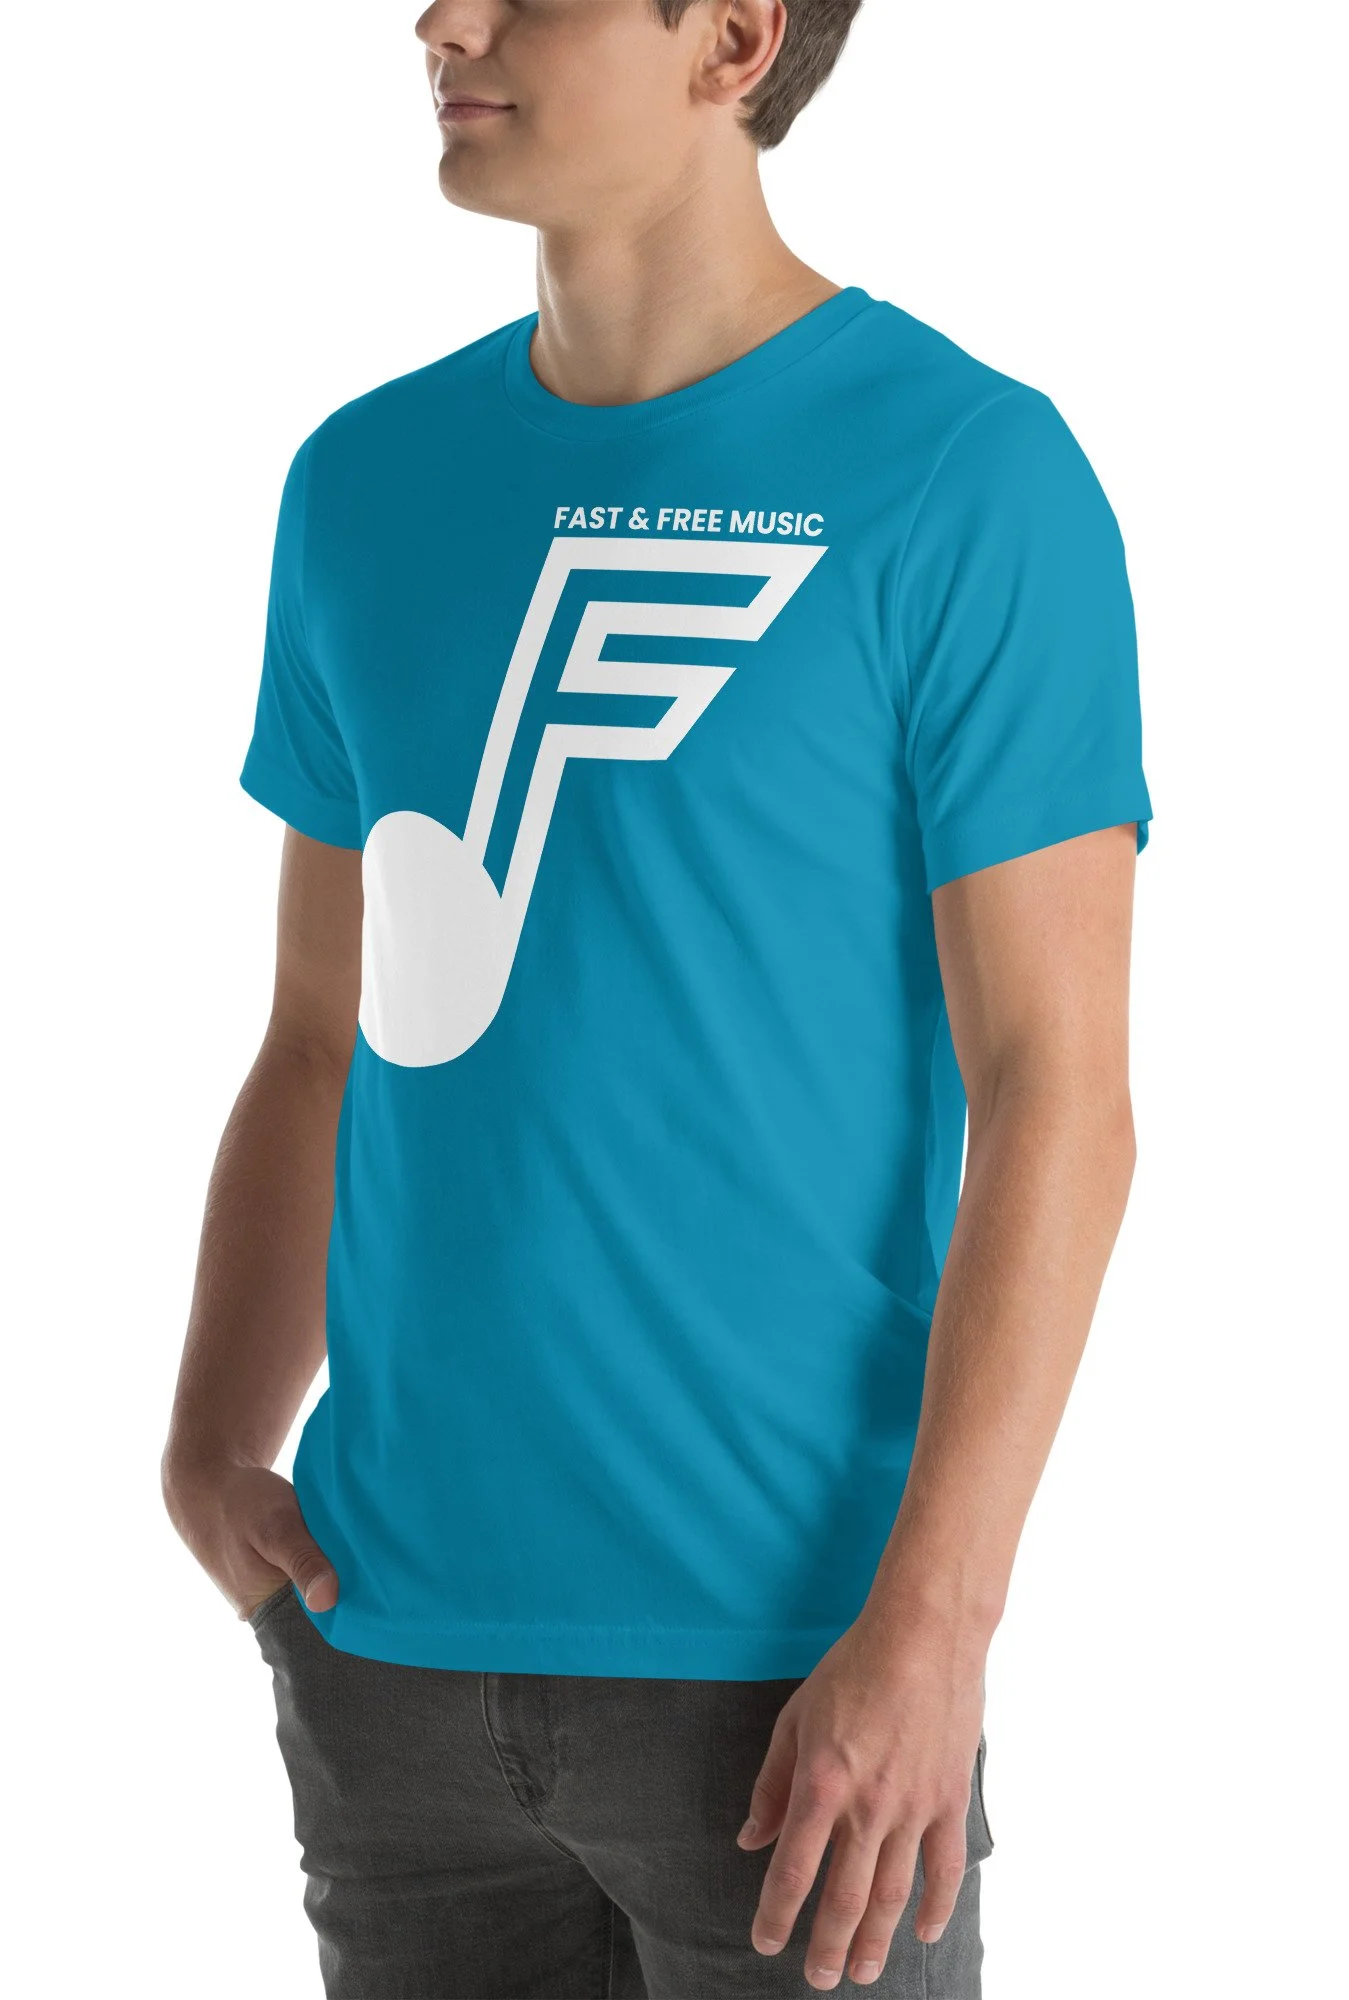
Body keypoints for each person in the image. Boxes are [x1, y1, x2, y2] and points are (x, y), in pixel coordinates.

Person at [161, 2, 1150, 1992]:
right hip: (390, 1661)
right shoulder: (363, 481)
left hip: (790, 1688)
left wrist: (933, 1629)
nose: (443, 21)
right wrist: (211, 1438)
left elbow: (1058, 1090)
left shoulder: (963, 475)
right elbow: (320, 1030)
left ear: (735, 38)